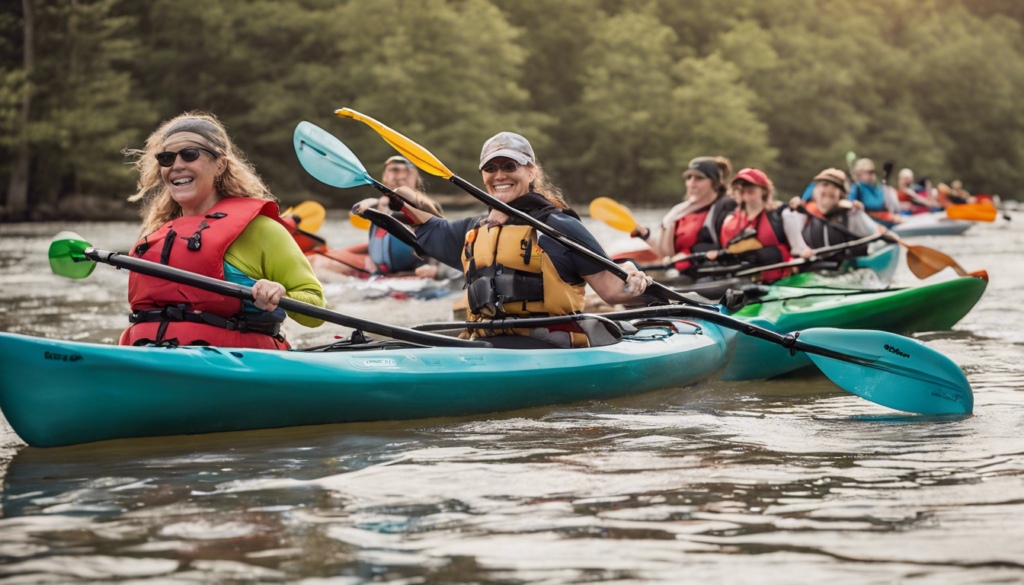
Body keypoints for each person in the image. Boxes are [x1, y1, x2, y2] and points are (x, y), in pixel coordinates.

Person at [356, 132, 654, 348]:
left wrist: (631, 273)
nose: (500, 175)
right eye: (491, 168)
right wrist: (384, 207)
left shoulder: (559, 228)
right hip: (483, 343)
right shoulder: (473, 231)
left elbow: (612, 291)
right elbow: (425, 219)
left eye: (510, 167)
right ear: (483, 174)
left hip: (548, 347)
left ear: (531, 171)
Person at [121, 112, 325, 349]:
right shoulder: (157, 234)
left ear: (220, 165)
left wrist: (280, 294)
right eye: (166, 158)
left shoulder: (260, 230)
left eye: (189, 155)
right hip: (152, 352)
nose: (176, 166)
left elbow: (316, 312)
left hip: (238, 363)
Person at [629, 156, 738, 281]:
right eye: (689, 177)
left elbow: (728, 246)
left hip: (711, 276)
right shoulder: (680, 211)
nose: (692, 183)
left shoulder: (726, 206)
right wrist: (645, 235)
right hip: (683, 273)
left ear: (715, 182)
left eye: (699, 178)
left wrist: (689, 253)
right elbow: (668, 253)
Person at [705, 168, 792, 282]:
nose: (744, 187)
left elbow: (795, 250)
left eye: (750, 184)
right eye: (740, 185)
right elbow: (728, 252)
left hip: (779, 281)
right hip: (742, 281)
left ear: (764, 190)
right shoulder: (730, 221)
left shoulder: (780, 214)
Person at [783, 168, 883, 261]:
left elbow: (877, 233)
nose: (829, 189)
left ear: (841, 193)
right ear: (815, 190)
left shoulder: (852, 213)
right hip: (815, 270)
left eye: (835, 186)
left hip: (847, 269)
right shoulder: (803, 212)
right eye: (825, 184)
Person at [848, 158, 902, 225]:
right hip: (868, 223)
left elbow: (882, 204)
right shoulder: (857, 188)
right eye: (868, 172)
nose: (871, 175)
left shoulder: (876, 186)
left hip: (883, 220)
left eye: (872, 172)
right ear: (860, 174)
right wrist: (854, 204)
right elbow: (850, 204)